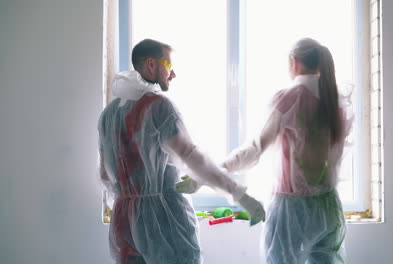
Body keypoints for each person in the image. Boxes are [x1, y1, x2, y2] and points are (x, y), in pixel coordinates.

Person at [177, 38, 353, 263]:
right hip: (328, 207)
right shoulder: (336, 101)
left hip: (292, 210)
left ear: (293, 62)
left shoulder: (290, 97)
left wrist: (209, 173)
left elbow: (255, 149)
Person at [98, 38, 265, 264]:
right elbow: (192, 158)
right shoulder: (158, 106)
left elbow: (105, 175)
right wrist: (240, 194)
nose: (172, 73)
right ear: (151, 65)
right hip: (164, 219)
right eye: (168, 66)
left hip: (123, 222)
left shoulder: (109, 114)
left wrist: (131, 199)